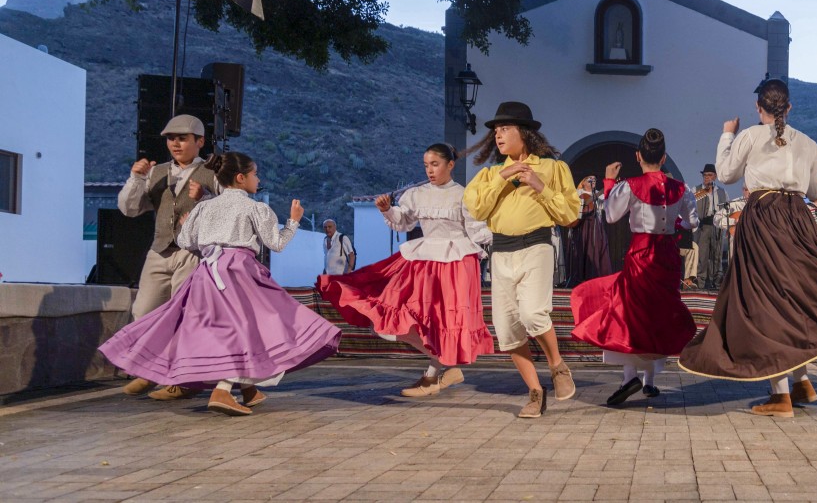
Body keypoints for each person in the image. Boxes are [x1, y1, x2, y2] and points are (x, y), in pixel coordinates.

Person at [100, 151, 342, 416]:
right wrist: (294, 220)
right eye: (255, 174)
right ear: (241, 178)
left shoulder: (204, 206)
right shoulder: (254, 207)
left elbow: (184, 242)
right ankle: (222, 391)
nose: (257, 179)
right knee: (248, 327)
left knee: (221, 329)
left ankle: (248, 389)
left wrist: (190, 225)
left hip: (206, 274)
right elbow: (277, 243)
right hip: (238, 272)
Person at [679, 79, 817, 417]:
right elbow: (816, 191)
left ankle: (781, 396)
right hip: (797, 217)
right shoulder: (809, 143)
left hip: (764, 218)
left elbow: (725, 173)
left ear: (759, 109)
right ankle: (801, 381)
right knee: (793, 295)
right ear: (790, 108)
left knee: (765, 300)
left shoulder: (751, 136)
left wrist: (727, 134)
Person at [316, 144, 494, 397]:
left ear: (450, 165)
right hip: (424, 260)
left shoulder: (463, 195)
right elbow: (404, 222)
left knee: (444, 321)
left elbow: (478, 232)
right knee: (397, 317)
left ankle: (432, 375)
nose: (430, 170)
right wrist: (387, 209)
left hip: (455, 263)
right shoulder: (418, 194)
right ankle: (443, 368)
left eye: (435, 164)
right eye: (426, 165)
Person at [464, 101, 581, 418]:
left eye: (505, 129)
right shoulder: (490, 174)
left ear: (524, 133)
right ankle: (535, 392)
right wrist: (504, 178)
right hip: (500, 253)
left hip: (537, 247)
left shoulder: (553, 169)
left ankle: (557, 365)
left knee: (532, 314)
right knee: (507, 330)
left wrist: (539, 185)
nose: (499, 136)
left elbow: (570, 214)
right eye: (496, 131)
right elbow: (477, 209)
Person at [571, 129, 699, 405]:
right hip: (667, 255)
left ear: (638, 156)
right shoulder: (682, 188)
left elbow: (611, 214)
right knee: (657, 316)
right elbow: (693, 222)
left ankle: (630, 377)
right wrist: (673, 223)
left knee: (630, 314)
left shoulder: (630, 185)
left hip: (642, 253)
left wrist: (608, 182)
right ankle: (649, 381)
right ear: (664, 157)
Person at [115, 114, 221, 400]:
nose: (175, 143)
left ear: (199, 141)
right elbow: (130, 209)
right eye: (171, 138)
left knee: (185, 316)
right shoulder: (156, 171)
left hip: (192, 252)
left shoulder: (212, 173)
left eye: (182, 138)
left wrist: (205, 200)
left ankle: (183, 380)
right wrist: (136, 178)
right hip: (160, 249)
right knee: (144, 312)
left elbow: (231, 210)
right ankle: (149, 372)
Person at [564, 175, 612, 286]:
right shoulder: (578, 193)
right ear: (583, 182)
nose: (593, 181)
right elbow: (573, 208)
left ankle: (596, 277)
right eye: (589, 179)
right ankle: (579, 277)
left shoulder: (599, 195)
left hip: (595, 227)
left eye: (594, 179)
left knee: (595, 249)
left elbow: (606, 206)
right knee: (582, 250)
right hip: (582, 227)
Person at [694, 164, 728, 288]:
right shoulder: (697, 190)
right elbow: (691, 204)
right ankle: (701, 282)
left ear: (715, 177)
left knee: (717, 254)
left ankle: (716, 281)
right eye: (705, 175)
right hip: (703, 226)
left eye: (709, 175)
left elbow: (726, 209)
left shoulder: (721, 192)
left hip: (717, 226)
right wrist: (705, 191)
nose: (707, 178)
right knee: (702, 255)